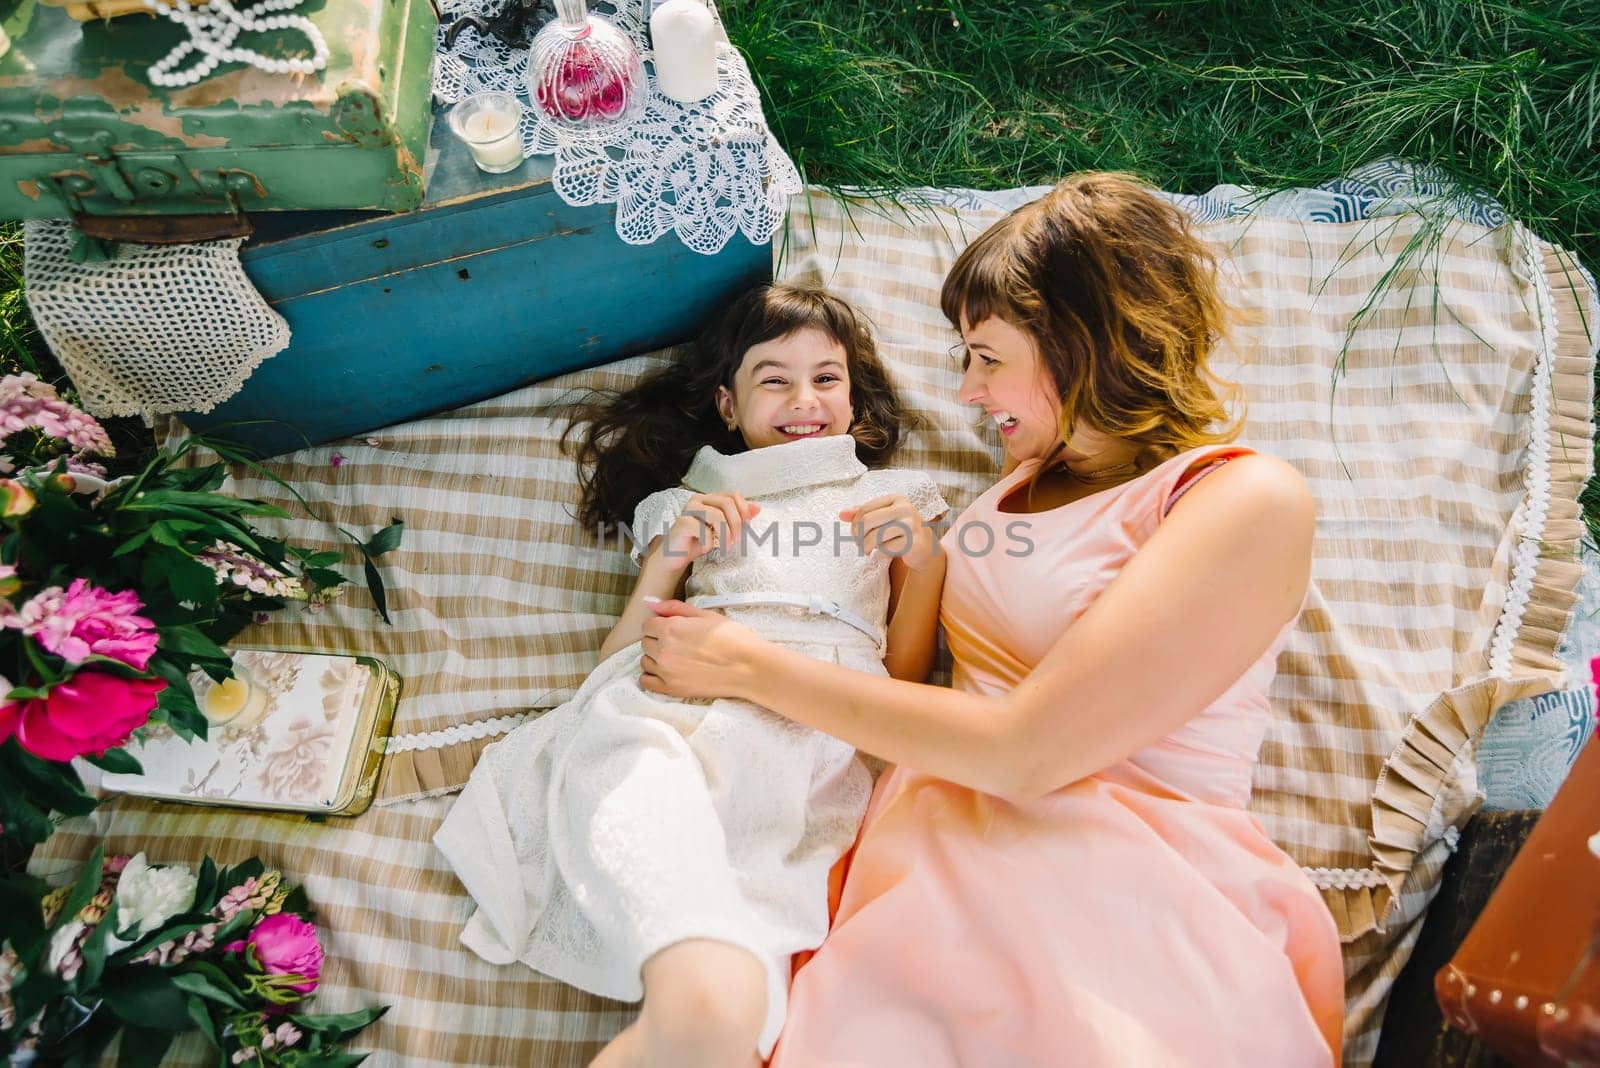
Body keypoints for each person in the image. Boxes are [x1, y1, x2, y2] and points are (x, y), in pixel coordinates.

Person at [637, 174, 1347, 1066]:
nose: (968, 392)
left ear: (1080, 347)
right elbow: (906, 671)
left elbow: (1026, 749)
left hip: (1114, 880)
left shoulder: (1243, 500)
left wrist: (746, 665)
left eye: (986, 356)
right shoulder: (1006, 491)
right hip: (913, 879)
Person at [434, 282, 950, 1068]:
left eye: (827, 378)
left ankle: (709, 1010)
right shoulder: (690, 501)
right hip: (687, 693)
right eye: (773, 379)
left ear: (852, 396)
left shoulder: (892, 496)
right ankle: (701, 991)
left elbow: (903, 681)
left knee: (770, 870)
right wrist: (671, 557)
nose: (804, 399)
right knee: (631, 762)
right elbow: (621, 655)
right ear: (727, 404)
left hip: (818, 719)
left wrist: (926, 561)